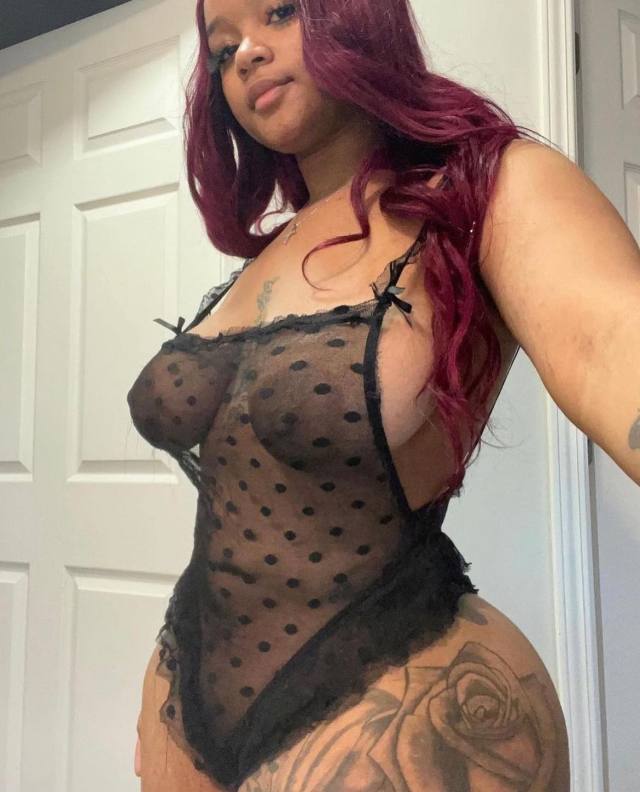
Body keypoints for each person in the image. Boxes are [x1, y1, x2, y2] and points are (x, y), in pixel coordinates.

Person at [129, 0, 640, 789]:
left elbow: (612, 343)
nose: (247, 55)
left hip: (394, 707)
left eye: (279, 12)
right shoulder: (270, 255)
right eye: (223, 49)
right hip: (183, 710)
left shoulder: (486, 188)